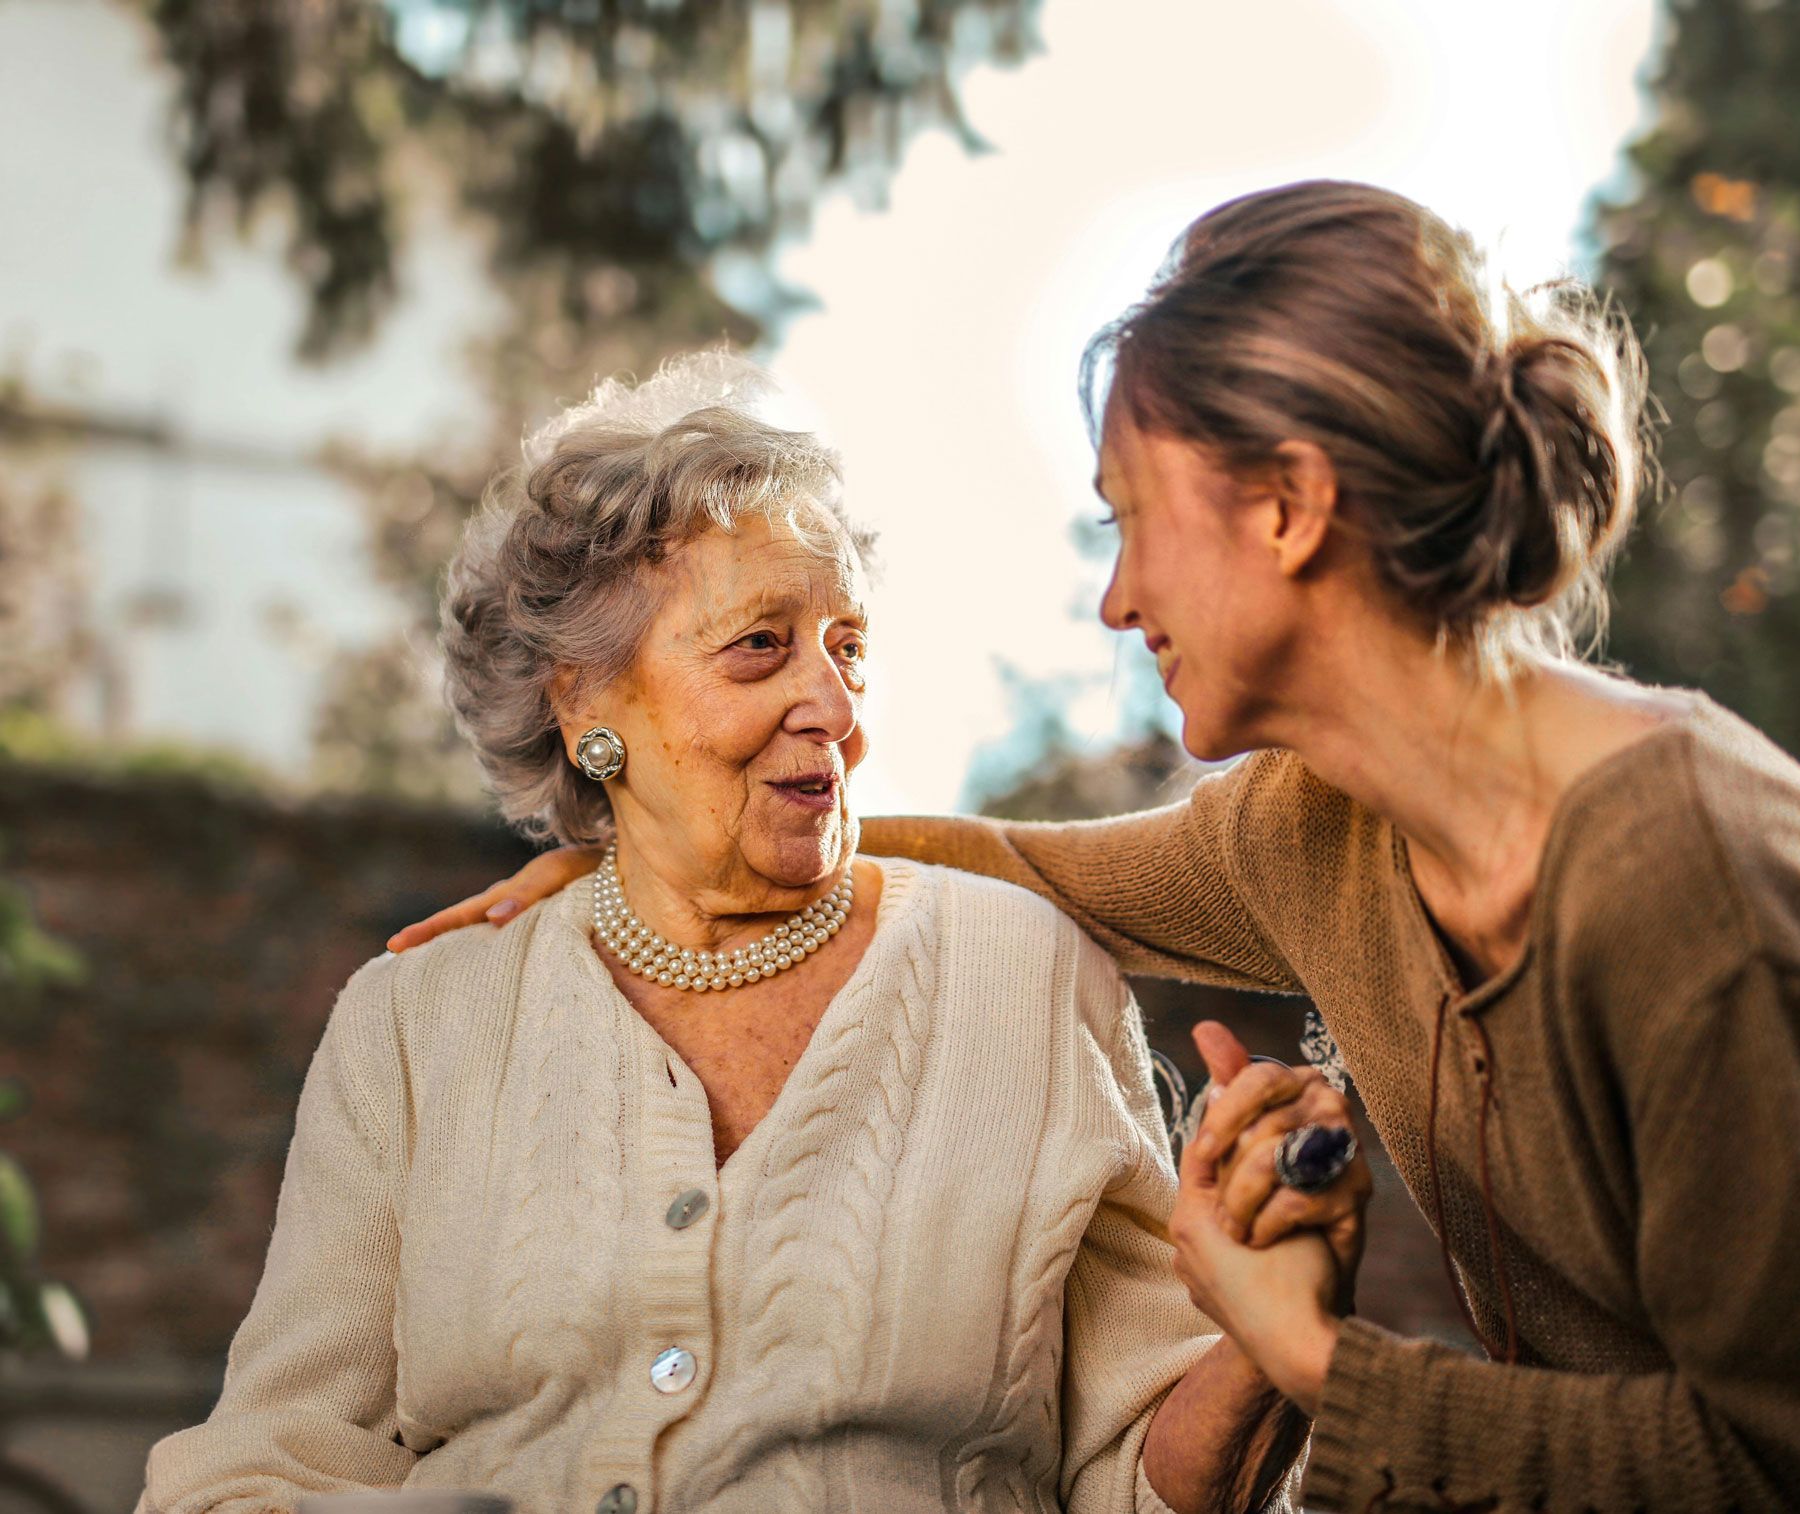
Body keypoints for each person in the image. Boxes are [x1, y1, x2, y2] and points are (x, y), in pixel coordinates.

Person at [402, 183, 1800, 1511]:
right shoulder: (1319, 829)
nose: (1119, 598)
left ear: (1289, 506)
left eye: (1133, 517)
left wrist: (1313, 1355)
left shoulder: (1693, 885)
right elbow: (1031, 867)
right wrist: (665, 853)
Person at [142, 355, 1355, 1514]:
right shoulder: (417, 1020)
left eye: (851, 649)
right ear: (585, 700)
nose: (832, 708)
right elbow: (263, 1459)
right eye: (760, 645)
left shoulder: (1026, 978)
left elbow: (1143, 1481)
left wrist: (1265, 1340)